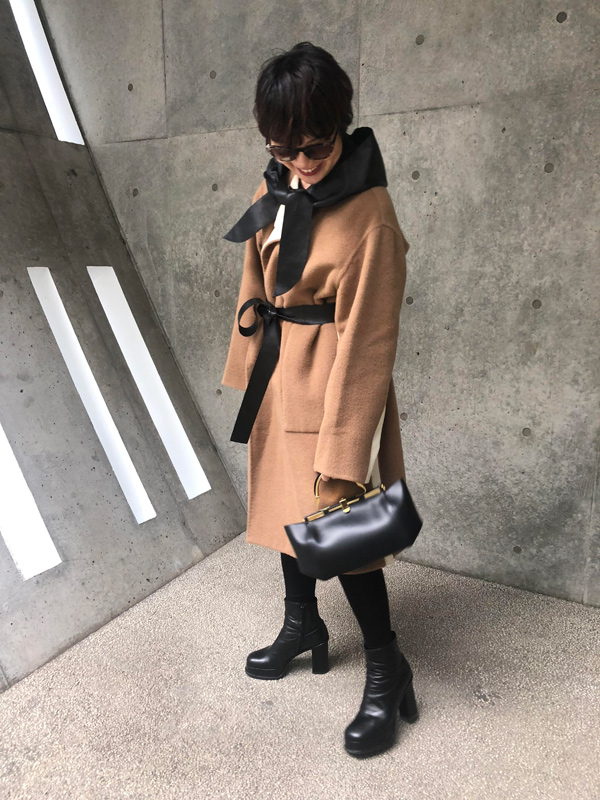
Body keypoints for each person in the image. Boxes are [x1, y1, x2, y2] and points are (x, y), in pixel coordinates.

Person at [221, 42, 417, 758]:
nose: (302, 162)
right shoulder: (273, 185)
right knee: (285, 508)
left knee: (346, 530)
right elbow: (254, 277)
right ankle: (302, 624)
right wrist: (250, 372)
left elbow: (370, 341)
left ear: (342, 124)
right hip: (282, 374)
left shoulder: (371, 214)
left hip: (336, 382)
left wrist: (346, 446)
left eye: (316, 146)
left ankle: (387, 666)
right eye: (285, 148)